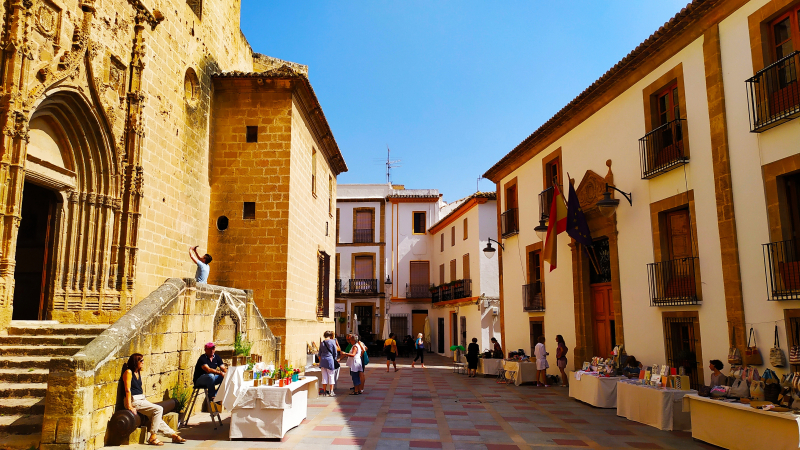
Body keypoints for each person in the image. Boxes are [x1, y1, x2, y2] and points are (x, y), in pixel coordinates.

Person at [120, 353, 186, 445]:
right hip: (134, 400)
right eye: (141, 360)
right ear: (136, 362)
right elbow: (127, 390)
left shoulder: (137, 372)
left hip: (141, 399)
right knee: (158, 409)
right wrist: (129, 406)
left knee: (156, 417)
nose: (143, 362)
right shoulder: (128, 372)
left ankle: (173, 435)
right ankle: (153, 436)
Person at [319, 331, 338, 396]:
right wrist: (334, 359)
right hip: (330, 359)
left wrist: (320, 360)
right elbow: (335, 352)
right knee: (331, 375)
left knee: (324, 376)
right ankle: (331, 391)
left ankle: (324, 391)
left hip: (323, 360)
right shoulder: (332, 342)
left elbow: (319, 353)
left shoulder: (322, 343)